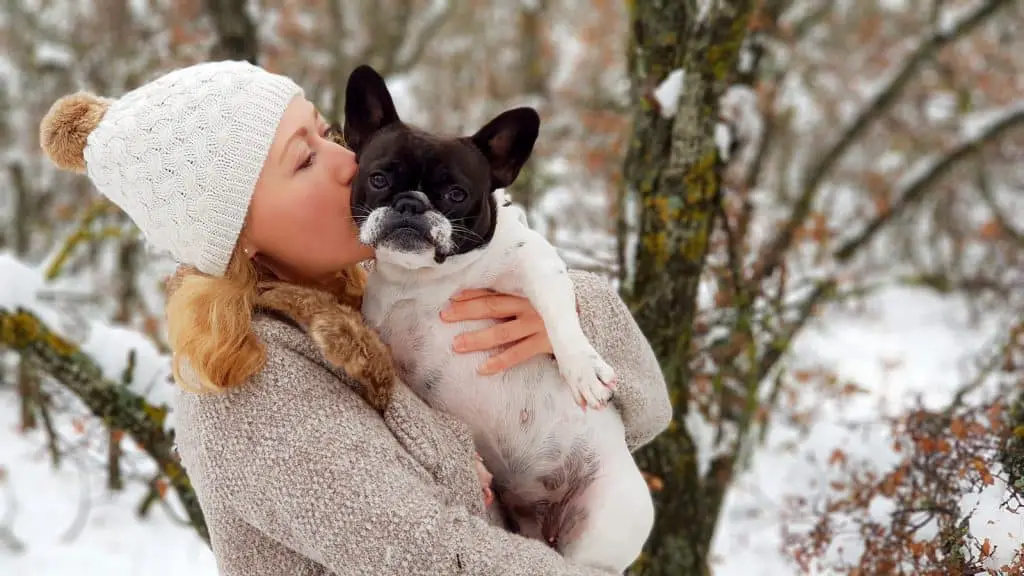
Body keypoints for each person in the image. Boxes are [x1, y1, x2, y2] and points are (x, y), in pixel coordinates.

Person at [37, 60, 672, 575]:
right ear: (239, 236)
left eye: (329, 135)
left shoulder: (374, 285)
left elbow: (646, 413)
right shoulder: (249, 387)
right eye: (304, 158)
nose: (348, 164)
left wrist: (566, 321)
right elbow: (432, 558)